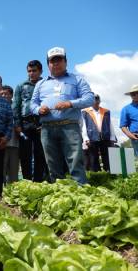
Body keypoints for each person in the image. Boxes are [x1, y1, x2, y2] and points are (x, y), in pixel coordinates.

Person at [30, 47, 94, 184]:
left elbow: (90, 98)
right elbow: (33, 104)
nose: (56, 63)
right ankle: (59, 194)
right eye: (52, 61)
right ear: (48, 64)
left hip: (69, 126)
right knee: (52, 163)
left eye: (59, 60)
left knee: (75, 161)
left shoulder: (77, 79)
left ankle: (81, 191)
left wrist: (69, 103)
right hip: (47, 128)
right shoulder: (40, 83)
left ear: (66, 62)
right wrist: (38, 110)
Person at [13, 60, 47, 182]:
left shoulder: (46, 84)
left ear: (41, 71)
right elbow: (16, 105)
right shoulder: (21, 86)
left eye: (34, 71)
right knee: (25, 154)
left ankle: (38, 181)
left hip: (41, 123)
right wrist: (17, 124)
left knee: (40, 153)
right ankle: (27, 181)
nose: (31, 73)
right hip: (25, 124)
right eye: (29, 71)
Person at [81, 94, 116, 171]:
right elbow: (83, 126)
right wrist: (85, 138)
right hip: (92, 137)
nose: (95, 101)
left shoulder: (106, 111)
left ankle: (109, 173)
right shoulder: (85, 112)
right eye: (94, 99)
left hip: (105, 137)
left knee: (107, 156)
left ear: (99, 100)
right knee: (93, 158)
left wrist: (112, 137)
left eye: (97, 99)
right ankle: (96, 175)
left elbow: (110, 124)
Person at [1, 85, 19, 184]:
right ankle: (1, 190)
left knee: (13, 169)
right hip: (1, 143)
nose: (3, 96)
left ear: (11, 95)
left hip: (14, 143)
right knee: (1, 168)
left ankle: (13, 190)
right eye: (1, 94)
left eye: (6, 94)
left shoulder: (16, 107)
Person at [120, 84, 138, 156]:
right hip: (136, 137)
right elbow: (123, 126)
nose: (136, 95)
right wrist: (133, 137)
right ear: (131, 95)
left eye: (137, 93)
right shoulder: (126, 109)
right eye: (133, 94)